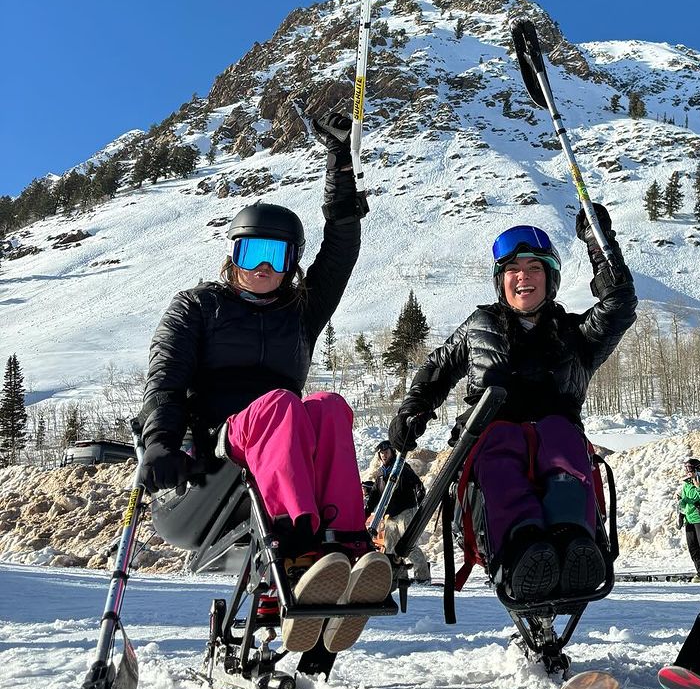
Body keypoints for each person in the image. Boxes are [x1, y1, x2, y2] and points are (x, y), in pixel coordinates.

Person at [137, 110, 392, 653]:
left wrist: (340, 169)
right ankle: (298, 547)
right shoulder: (196, 307)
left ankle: (343, 545)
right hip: (209, 458)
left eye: (276, 255)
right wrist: (160, 443)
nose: (263, 266)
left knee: (327, 407)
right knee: (282, 402)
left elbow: (342, 251)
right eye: (252, 252)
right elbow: (165, 382)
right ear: (233, 255)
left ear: (292, 263)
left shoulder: (299, 312)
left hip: (278, 449)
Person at [386, 208, 636, 602]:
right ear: (501, 280)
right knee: (502, 438)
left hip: (558, 443)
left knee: (557, 432)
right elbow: (436, 370)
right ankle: (522, 549)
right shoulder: (479, 324)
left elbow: (619, 304)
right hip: (489, 443)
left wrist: (598, 241)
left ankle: (574, 542)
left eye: (535, 267)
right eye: (513, 269)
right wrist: (412, 409)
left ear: (550, 279)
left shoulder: (575, 335)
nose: (523, 277)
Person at [368, 440, 431, 583]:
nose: (384, 455)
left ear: (392, 452)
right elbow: (374, 497)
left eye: (386, 452)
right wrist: (365, 512)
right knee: (390, 548)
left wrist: (420, 494)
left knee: (408, 544)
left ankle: (422, 576)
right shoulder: (380, 474)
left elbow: (417, 483)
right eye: (381, 453)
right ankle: (398, 575)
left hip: (406, 510)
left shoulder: (401, 468)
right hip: (390, 515)